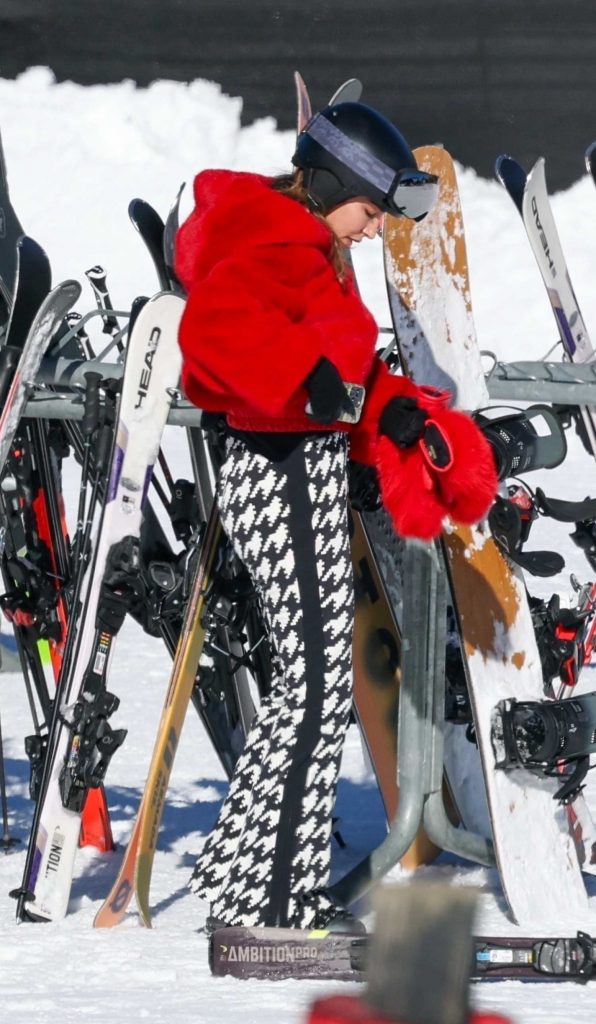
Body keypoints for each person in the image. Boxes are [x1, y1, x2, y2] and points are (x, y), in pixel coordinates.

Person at [174, 99, 497, 934]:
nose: (372, 228)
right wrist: (306, 375)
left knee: (305, 682)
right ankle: (269, 900)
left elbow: (337, 363)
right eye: (368, 209)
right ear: (326, 185)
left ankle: (240, 875)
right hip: (276, 470)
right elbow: (212, 332)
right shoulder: (272, 239)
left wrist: (386, 411)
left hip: (301, 464)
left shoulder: (306, 244)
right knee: (317, 686)